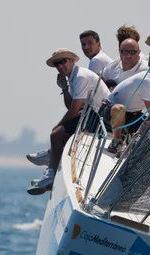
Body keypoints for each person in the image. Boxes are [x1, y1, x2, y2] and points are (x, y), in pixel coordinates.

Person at [27, 48, 109, 195]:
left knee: (55, 135)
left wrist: (58, 126)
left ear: (72, 61)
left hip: (100, 116)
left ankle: (50, 166)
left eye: (63, 61)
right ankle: (51, 172)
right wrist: (64, 89)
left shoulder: (80, 76)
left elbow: (73, 111)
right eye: (57, 64)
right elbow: (71, 106)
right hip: (88, 114)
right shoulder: (72, 77)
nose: (60, 66)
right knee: (60, 136)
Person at [103, 46, 150, 156]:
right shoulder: (147, 80)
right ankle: (116, 142)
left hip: (131, 116)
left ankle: (134, 144)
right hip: (109, 111)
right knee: (120, 109)